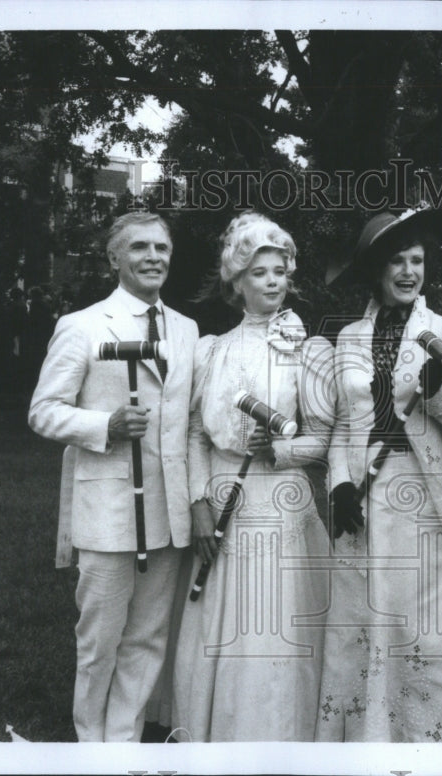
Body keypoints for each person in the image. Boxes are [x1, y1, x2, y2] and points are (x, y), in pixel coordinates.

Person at [317, 209, 442, 743]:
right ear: (376, 270)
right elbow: (340, 425)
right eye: (396, 261)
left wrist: (435, 392)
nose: (408, 271)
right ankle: (371, 739)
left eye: (417, 260)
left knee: (429, 629)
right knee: (367, 622)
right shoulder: (349, 338)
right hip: (365, 496)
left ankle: (441, 742)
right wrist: (337, 484)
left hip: (425, 497)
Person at [28, 212, 199, 742]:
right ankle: (89, 743)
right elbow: (43, 410)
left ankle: (123, 741)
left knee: (148, 637)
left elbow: (188, 418)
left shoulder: (188, 330)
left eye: (162, 248)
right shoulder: (82, 325)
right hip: (108, 510)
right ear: (114, 259)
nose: (154, 258)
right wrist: (104, 424)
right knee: (100, 638)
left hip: (167, 511)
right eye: (140, 248)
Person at [171, 212, 336, 742]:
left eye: (279, 271)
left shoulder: (309, 351)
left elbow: (324, 439)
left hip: (281, 500)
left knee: (277, 624)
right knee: (227, 617)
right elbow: (196, 431)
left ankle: (281, 735)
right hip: (222, 498)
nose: (271, 281)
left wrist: (283, 450)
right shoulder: (211, 350)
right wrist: (198, 501)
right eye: (258, 271)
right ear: (236, 281)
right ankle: (220, 733)